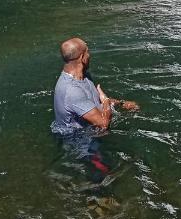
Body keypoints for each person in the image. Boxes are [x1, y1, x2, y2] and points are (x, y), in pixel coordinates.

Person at [52, 37, 138, 173]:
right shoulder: (72, 90)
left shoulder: (84, 76)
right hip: (81, 144)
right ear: (82, 57)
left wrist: (121, 103)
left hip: (90, 133)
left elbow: (94, 101)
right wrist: (105, 102)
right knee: (106, 175)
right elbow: (103, 124)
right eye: (88, 52)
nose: (90, 55)